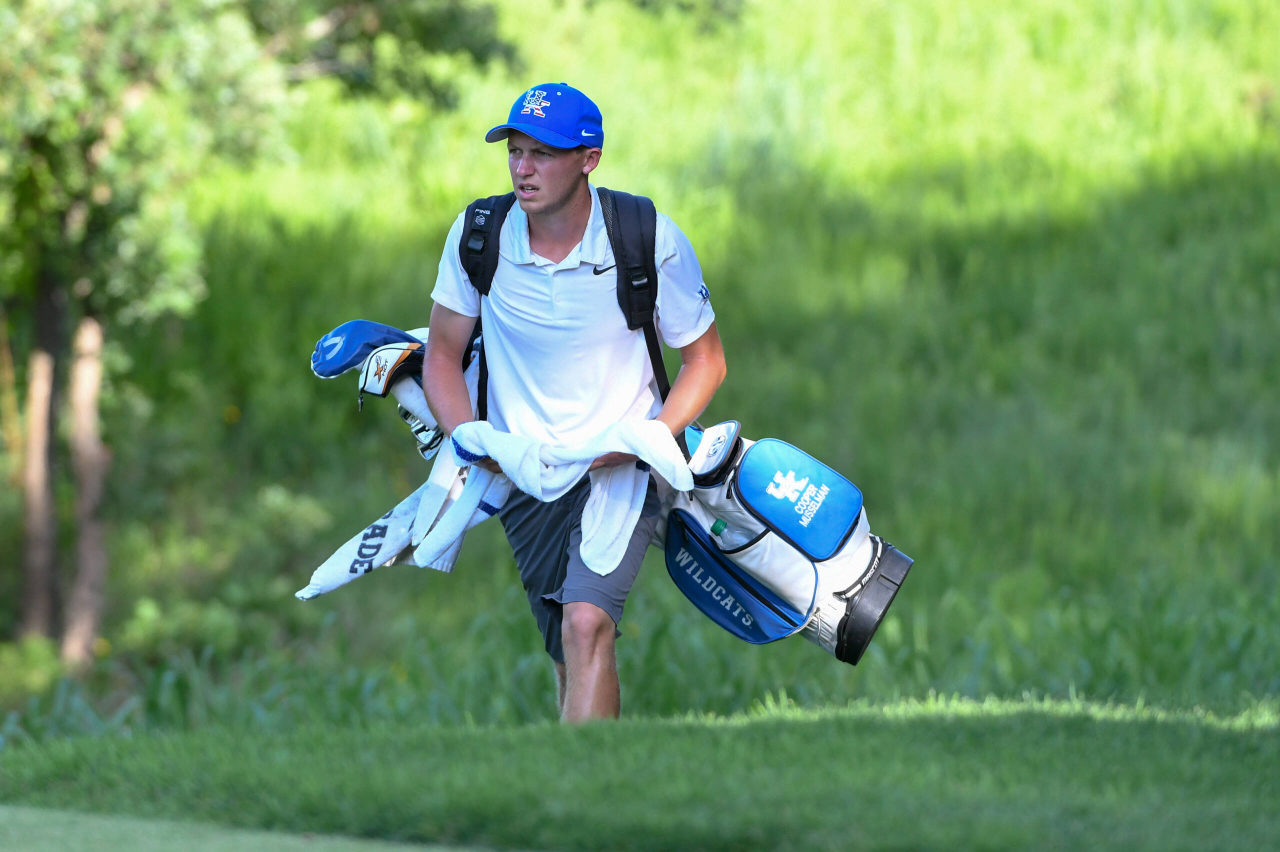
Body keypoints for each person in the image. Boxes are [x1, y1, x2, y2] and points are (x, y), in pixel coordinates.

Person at [422, 83, 726, 723]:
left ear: (588, 158)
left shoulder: (647, 238)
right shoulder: (479, 235)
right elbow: (442, 357)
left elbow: (707, 362)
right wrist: (473, 444)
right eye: (515, 151)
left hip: (625, 470)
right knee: (566, 649)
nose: (522, 169)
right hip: (524, 471)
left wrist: (646, 440)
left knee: (588, 624)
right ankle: (584, 784)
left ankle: (583, 786)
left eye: (543, 154)